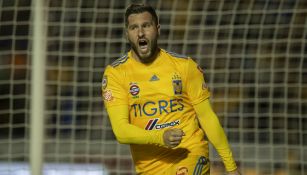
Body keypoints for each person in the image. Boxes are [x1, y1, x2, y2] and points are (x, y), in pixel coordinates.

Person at [102, 3, 241, 175]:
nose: (140, 33)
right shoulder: (116, 74)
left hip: (190, 154)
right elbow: (121, 131)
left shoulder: (184, 66)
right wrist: (161, 137)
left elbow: (207, 117)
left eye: (146, 26)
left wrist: (231, 167)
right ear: (127, 34)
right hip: (149, 167)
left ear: (158, 29)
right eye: (134, 27)